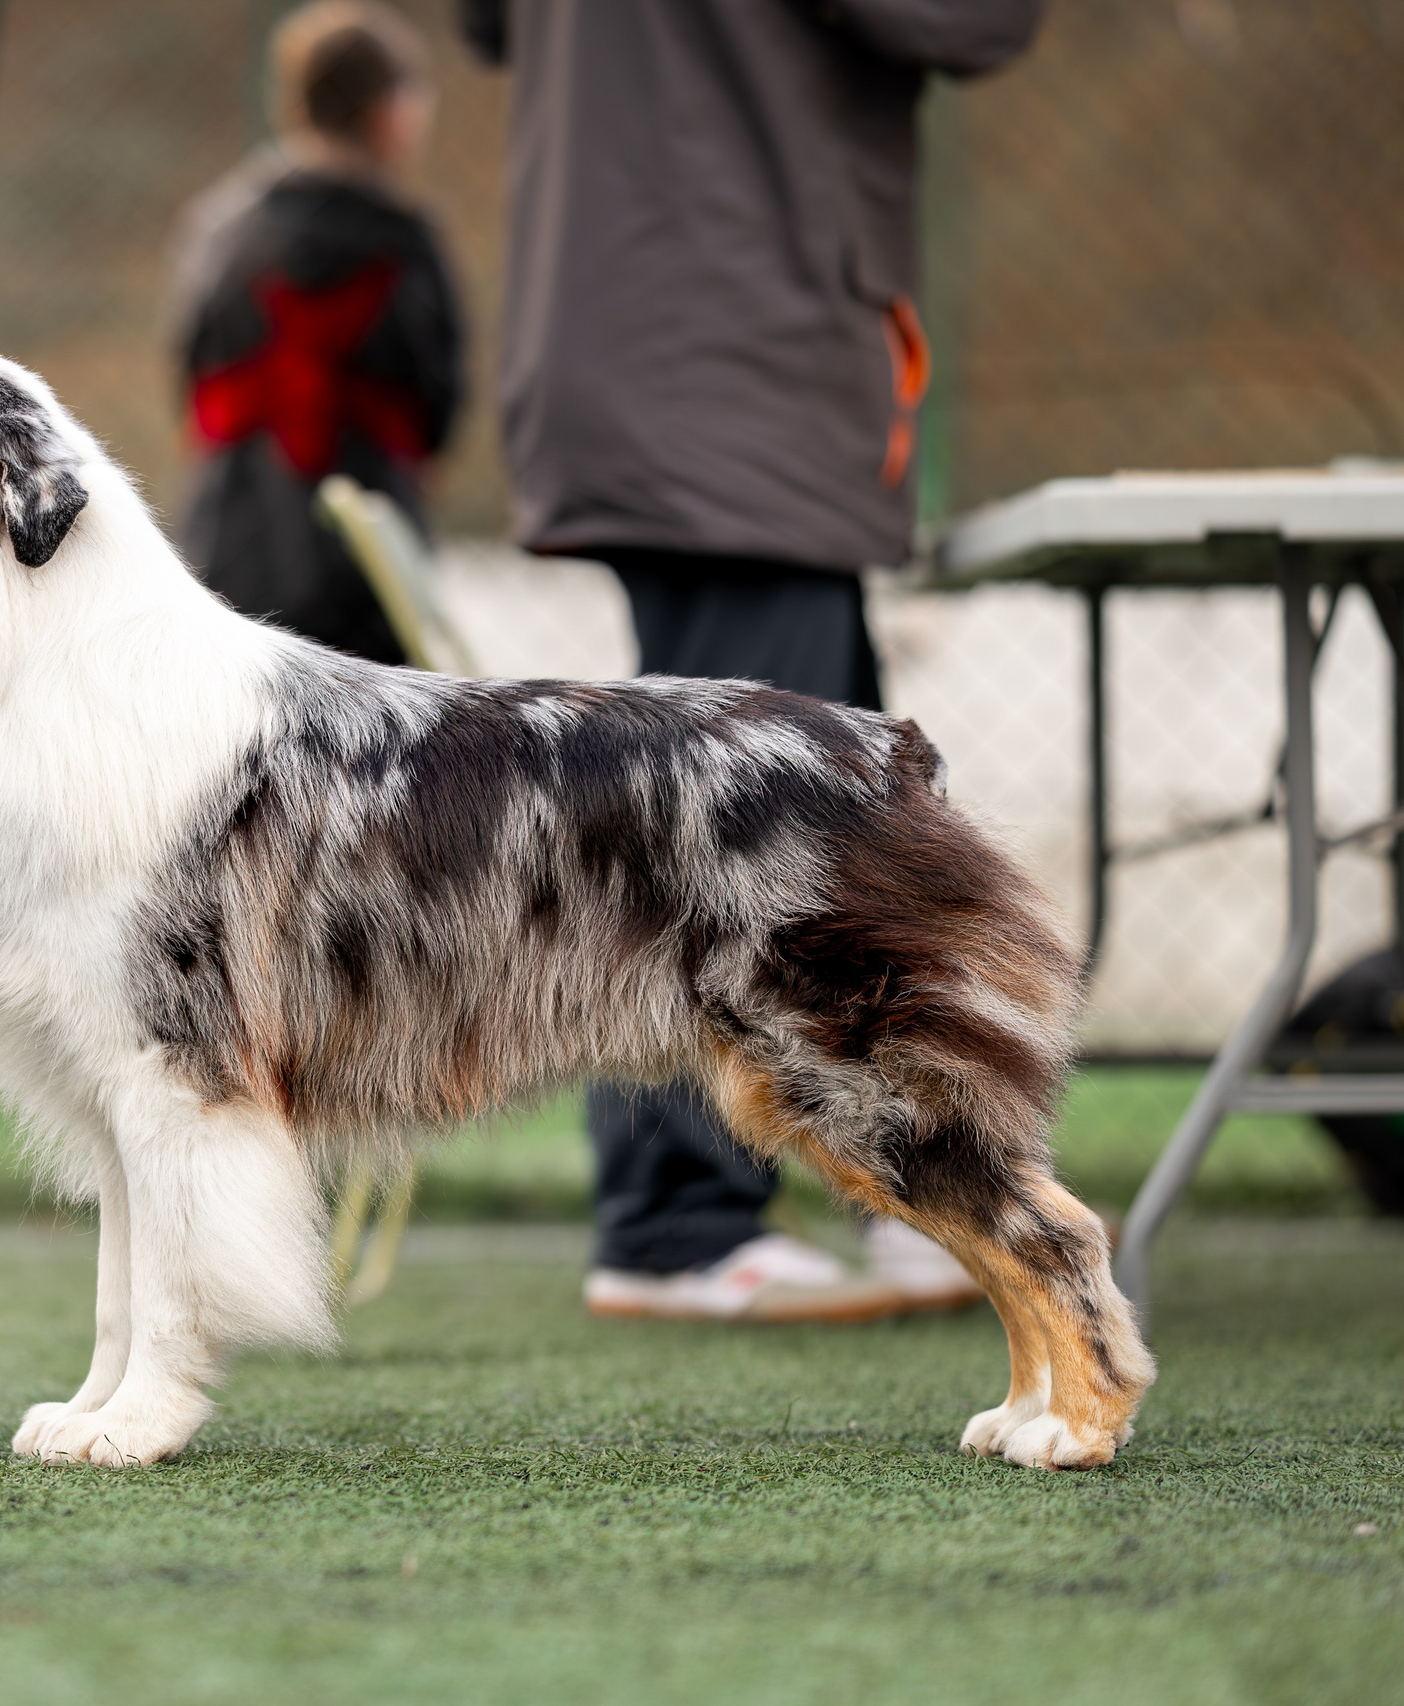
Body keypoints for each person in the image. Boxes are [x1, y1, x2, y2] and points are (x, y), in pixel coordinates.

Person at [460, 0, 1044, 1320]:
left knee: (833, 822)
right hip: (737, 353)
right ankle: (678, 1221)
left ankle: (905, 1184)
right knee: (741, 836)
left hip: (640, 341)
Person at [172, 0, 462, 664]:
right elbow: (436, 392)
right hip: (369, 536)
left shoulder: (221, 231)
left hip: (232, 528)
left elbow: (193, 365)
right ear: (389, 112)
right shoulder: (409, 242)